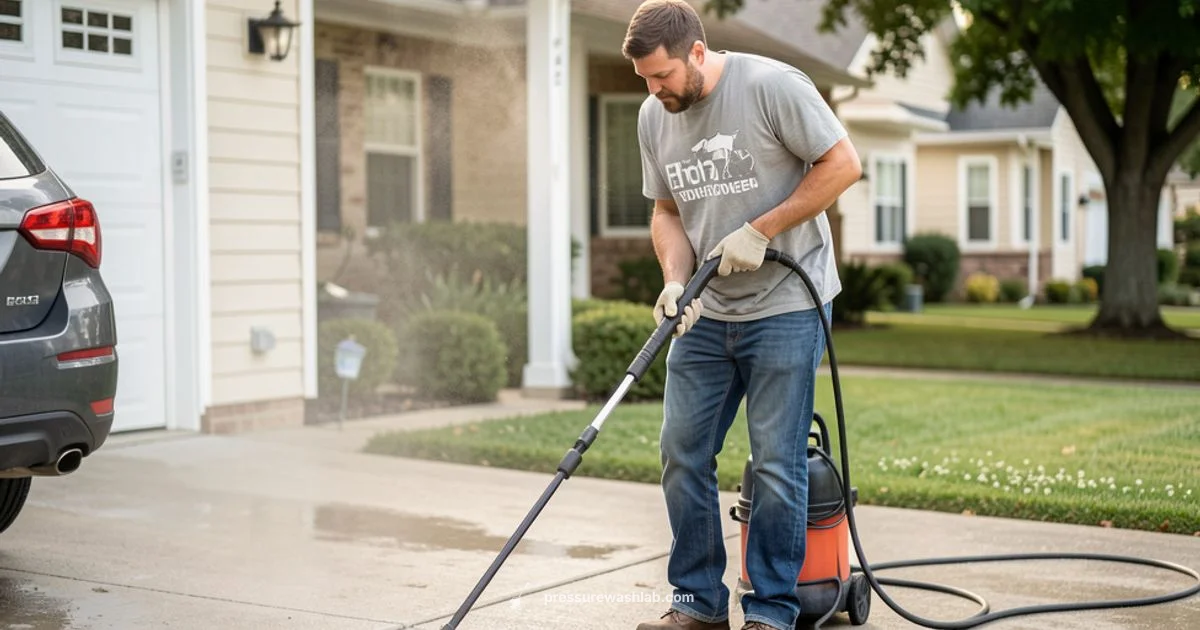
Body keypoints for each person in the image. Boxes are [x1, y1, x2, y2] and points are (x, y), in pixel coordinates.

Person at [621, 1, 862, 629]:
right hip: (708, 310)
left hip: (787, 303)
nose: (653, 90)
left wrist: (762, 229)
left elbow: (843, 164)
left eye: (662, 75)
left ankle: (771, 611)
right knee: (682, 451)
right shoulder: (654, 115)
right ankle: (698, 604)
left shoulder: (772, 87)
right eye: (644, 78)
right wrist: (676, 282)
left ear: (698, 52)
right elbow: (667, 211)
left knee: (777, 462)